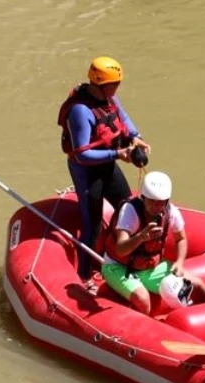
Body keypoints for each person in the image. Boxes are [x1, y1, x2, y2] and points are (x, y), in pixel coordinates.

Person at [56, 56, 151, 294]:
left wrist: (134, 136)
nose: (117, 88)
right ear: (101, 84)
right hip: (87, 171)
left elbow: (123, 118)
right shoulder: (80, 111)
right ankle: (85, 274)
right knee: (93, 225)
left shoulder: (107, 96)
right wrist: (118, 154)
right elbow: (81, 155)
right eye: (115, 84)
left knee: (127, 208)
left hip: (108, 161)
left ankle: (119, 254)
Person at [101, 171, 205, 315]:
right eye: (151, 201)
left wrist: (179, 262)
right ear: (143, 198)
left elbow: (181, 239)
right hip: (118, 267)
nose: (155, 206)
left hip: (150, 267)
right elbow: (120, 249)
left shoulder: (171, 212)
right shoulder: (130, 212)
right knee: (143, 299)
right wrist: (141, 237)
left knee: (199, 286)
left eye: (160, 202)